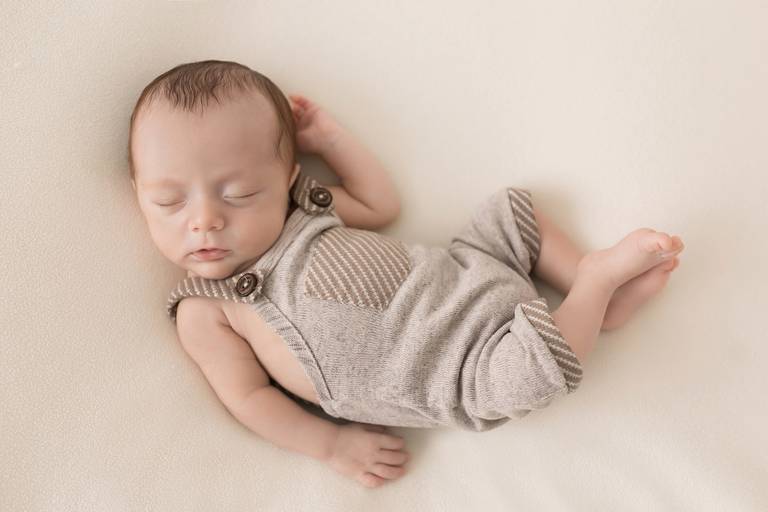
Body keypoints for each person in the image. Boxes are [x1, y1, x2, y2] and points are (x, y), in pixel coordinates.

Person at [128, 60, 684, 489]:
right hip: (457, 371)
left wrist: (330, 140)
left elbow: (381, 203)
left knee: (512, 214)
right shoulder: (208, 308)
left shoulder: (306, 212)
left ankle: (595, 297)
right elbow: (248, 398)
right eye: (169, 201)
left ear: (287, 180)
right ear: (139, 195)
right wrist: (331, 446)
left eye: (240, 193)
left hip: (466, 271)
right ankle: (595, 286)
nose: (204, 220)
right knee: (529, 375)